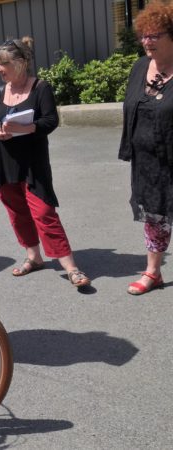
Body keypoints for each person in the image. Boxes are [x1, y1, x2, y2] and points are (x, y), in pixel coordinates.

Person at [0, 37, 90, 288]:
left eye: (3, 64)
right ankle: (34, 257)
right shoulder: (1, 91)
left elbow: (51, 121)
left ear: (20, 63)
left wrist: (25, 127)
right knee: (17, 213)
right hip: (4, 161)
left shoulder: (40, 87)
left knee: (44, 213)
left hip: (32, 163)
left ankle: (71, 267)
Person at [119, 2, 173, 295]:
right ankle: (153, 272)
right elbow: (132, 108)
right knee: (154, 216)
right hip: (148, 161)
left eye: (155, 36)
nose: (147, 42)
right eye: (144, 36)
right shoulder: (141, 67)